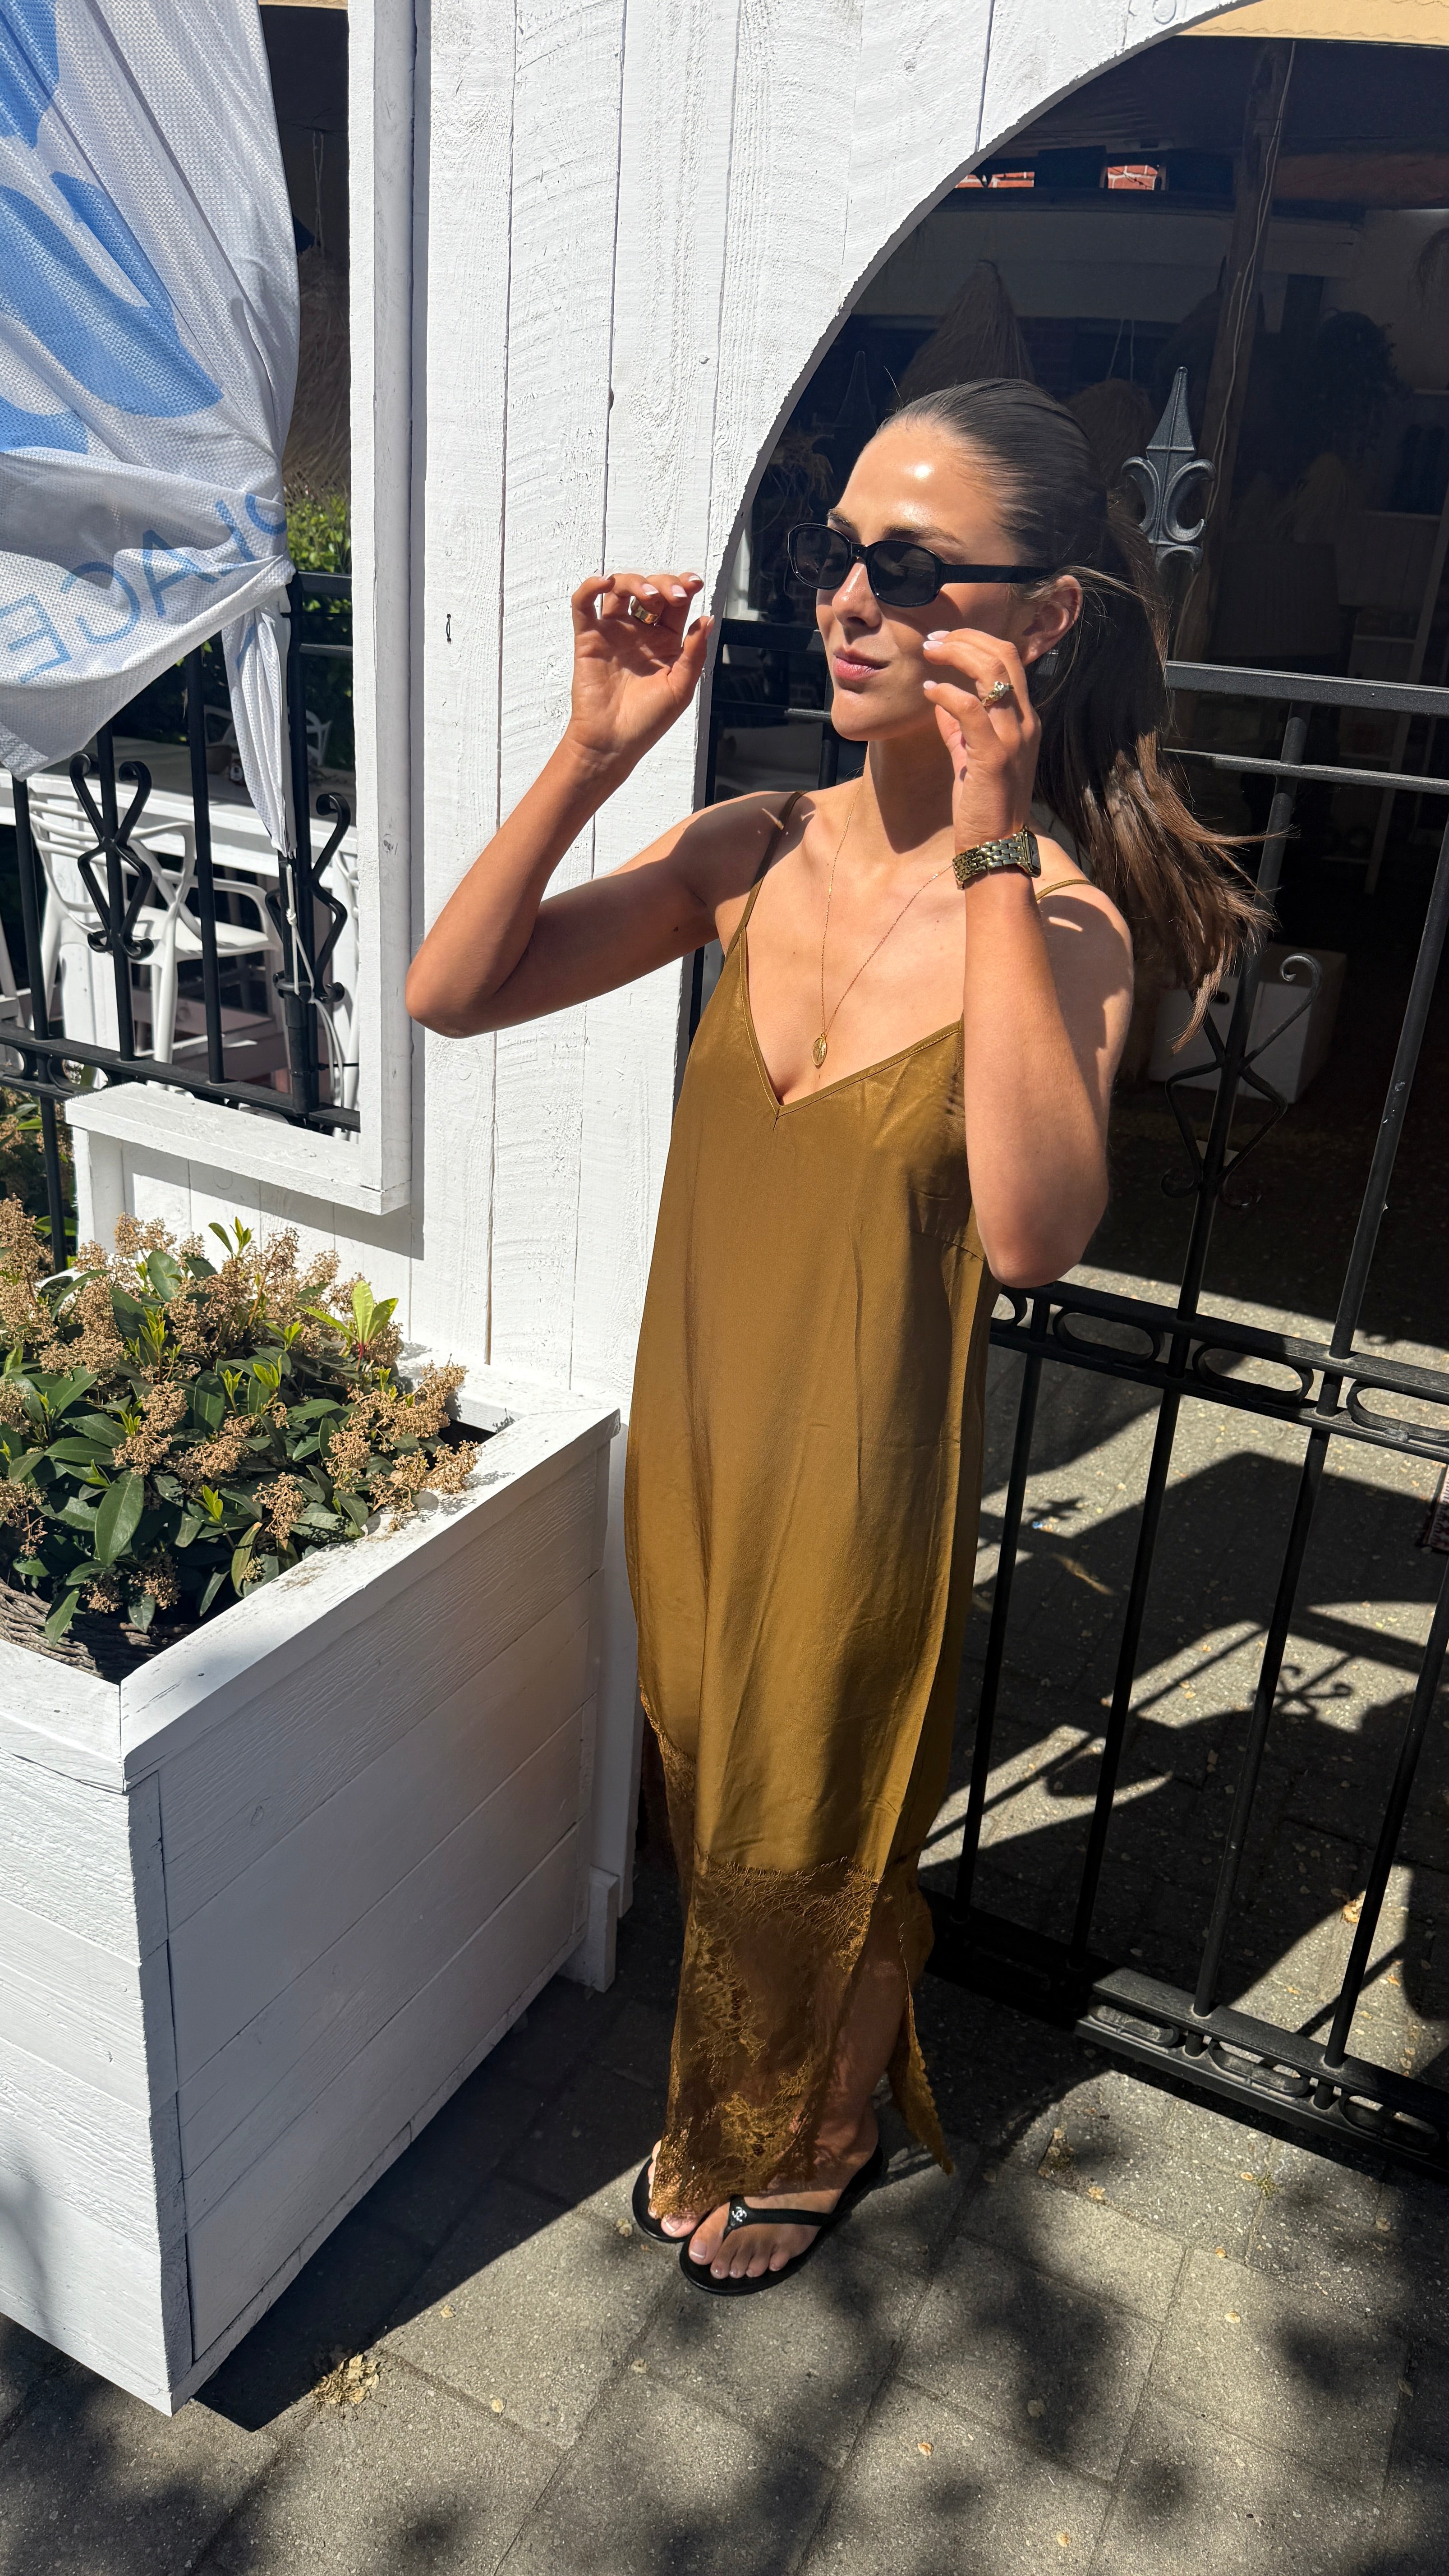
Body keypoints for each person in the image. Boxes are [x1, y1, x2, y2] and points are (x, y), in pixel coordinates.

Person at [406, 376, 1264, 2297]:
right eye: (834, 550)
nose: (851, 598)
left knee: (823, 1799)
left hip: (862, 1471)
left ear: (1045, 617)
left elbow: (1034, 1238)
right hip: (699, 1424)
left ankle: (820, 2113)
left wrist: (992, 842)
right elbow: (452, 991)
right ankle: (783, 2080)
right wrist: (590, 754)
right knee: (718, 1785)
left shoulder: (1062, 925)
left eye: (912, 564)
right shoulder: (751, 846)